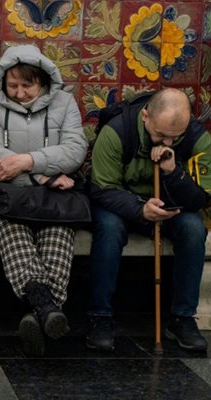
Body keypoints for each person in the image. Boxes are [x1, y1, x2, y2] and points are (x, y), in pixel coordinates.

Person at [0, 45, 88, 356]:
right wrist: (41, 175)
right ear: (3, 82)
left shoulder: (64, 103)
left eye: (27, 85)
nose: (19, 93)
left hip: (51, 198)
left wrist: (26, 162)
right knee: (15, 237)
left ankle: (39, 312)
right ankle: (48, 308)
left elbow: (75, 151)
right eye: (13, 86)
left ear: (43, 82)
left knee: (58, 237)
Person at [86, 88, 211, 352]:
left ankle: (182, 318)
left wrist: (173, 171)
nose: (166, 143)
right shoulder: (117, 132)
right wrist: (140, 209)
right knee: (108, 229)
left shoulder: (199, 139)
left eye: (174, 138)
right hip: (121, 206)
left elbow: (200, 199)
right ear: (145, 116)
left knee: (193, 228)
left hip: (169, 205)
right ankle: (100, 317)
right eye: (160, 135)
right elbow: (102, 189)